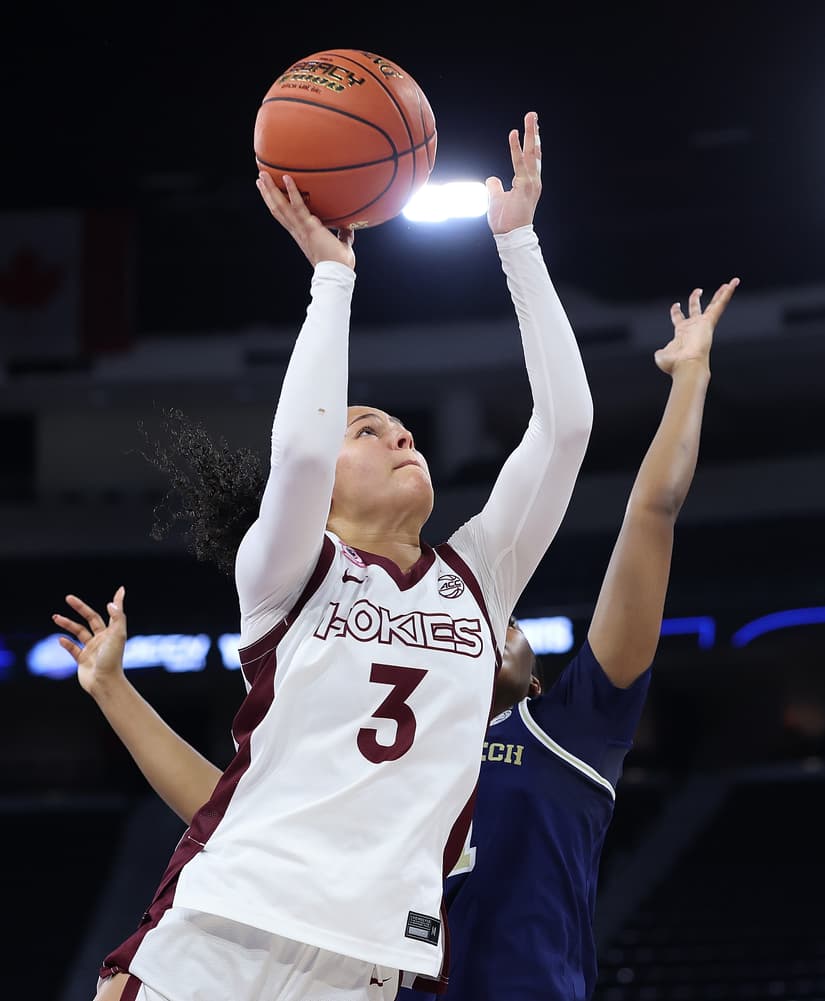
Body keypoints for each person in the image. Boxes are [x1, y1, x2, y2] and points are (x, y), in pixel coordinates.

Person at [54, 109, 594, 1001]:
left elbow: (566, 427)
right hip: (224, 927)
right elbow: (300, 453)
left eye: (400, 426)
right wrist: (333, 278)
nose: (400, 432)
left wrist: (520, 244)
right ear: (323, 493)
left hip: (375, 959)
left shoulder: (475, 580)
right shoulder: (285, 577)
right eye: (367, 428)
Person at [397, 277, 740, 1001]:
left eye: (510, 624)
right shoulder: (397, 735)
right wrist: (113, 690)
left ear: (538, 680)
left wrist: (692, 378)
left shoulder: (573, 727)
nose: (493, 624)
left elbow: (654, 510)